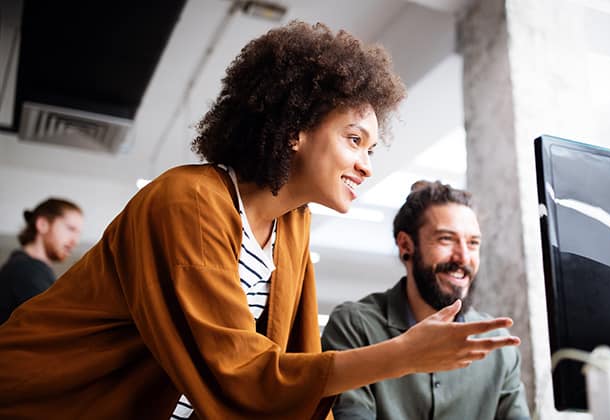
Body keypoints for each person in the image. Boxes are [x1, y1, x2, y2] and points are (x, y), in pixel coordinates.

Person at [0, 21, 520, 419]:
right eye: (354, 139)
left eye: (372, 148)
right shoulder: (189, 202)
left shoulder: (292, 226)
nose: (366, 163)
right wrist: (402, 355)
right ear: (295, 128)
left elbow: (292, 359)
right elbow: (238, 371)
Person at [322, 180, 531, 420]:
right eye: (446, 239)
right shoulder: (354, 326)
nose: (463, 257)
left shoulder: (497, 345)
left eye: (473, 243)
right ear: (405, 245)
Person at [0, 198, 83, 324]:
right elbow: (54, 326)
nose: (75, 241)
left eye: (78, 233)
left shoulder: (29, 268)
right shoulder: (27, 269)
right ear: (42, 224)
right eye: (70, 229)